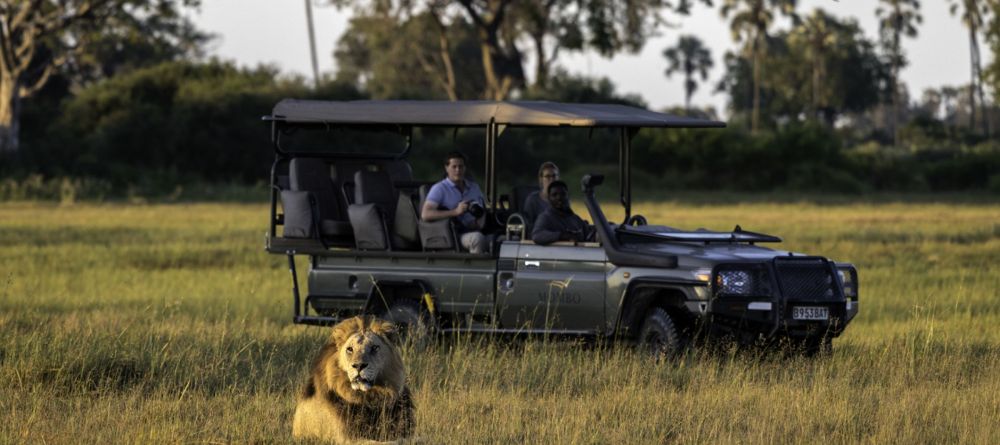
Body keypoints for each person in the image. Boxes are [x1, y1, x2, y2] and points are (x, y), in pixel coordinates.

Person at [421, 151, 487, 253]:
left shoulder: (474, 187)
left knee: (502, 239)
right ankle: (474, 268)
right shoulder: (439, 188)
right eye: (454, 167)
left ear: (465, 168)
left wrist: (479, 221)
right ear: (446, 168)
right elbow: (426, 214)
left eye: (461, 166)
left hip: (476, 228)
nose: (458, 170)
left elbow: (482, 210)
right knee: (477, 239)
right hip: (454, 234)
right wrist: (455, 212)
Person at [531, 180, 595, 246]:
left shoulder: (575, 219)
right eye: (554, 195)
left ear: (568, 196)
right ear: (549, 198)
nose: (559, 198)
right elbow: (537, 235)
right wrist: (563, 235)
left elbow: (589, 234)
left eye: (563, 194)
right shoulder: (545, 217)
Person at [521, 161, 559, 231]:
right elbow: (528, 227)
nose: (552, 179)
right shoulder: (532, 200)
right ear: (541, 179)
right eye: (548, 176)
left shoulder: (562, 199)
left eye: (554, 176)